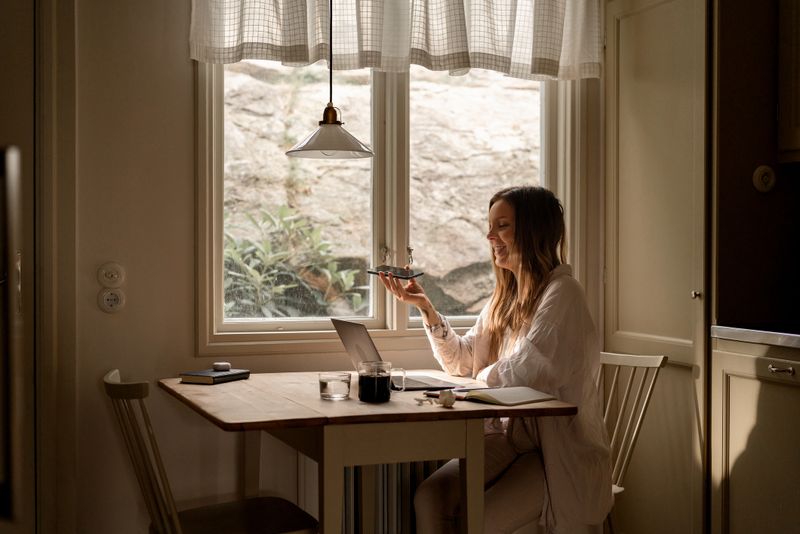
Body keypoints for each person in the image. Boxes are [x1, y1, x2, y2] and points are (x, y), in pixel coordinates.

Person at [379, 186, 613, 534]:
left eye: (501, 225)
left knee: (480, 521)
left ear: (534, 231)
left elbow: (530, 372)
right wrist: (426, 310)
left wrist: (477, 382)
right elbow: (463, 362)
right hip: (511, 440)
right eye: (490, 226)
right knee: (430, 497)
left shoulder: (563, 294)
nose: (490, 236)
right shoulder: (505, 298)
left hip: (552, 453)